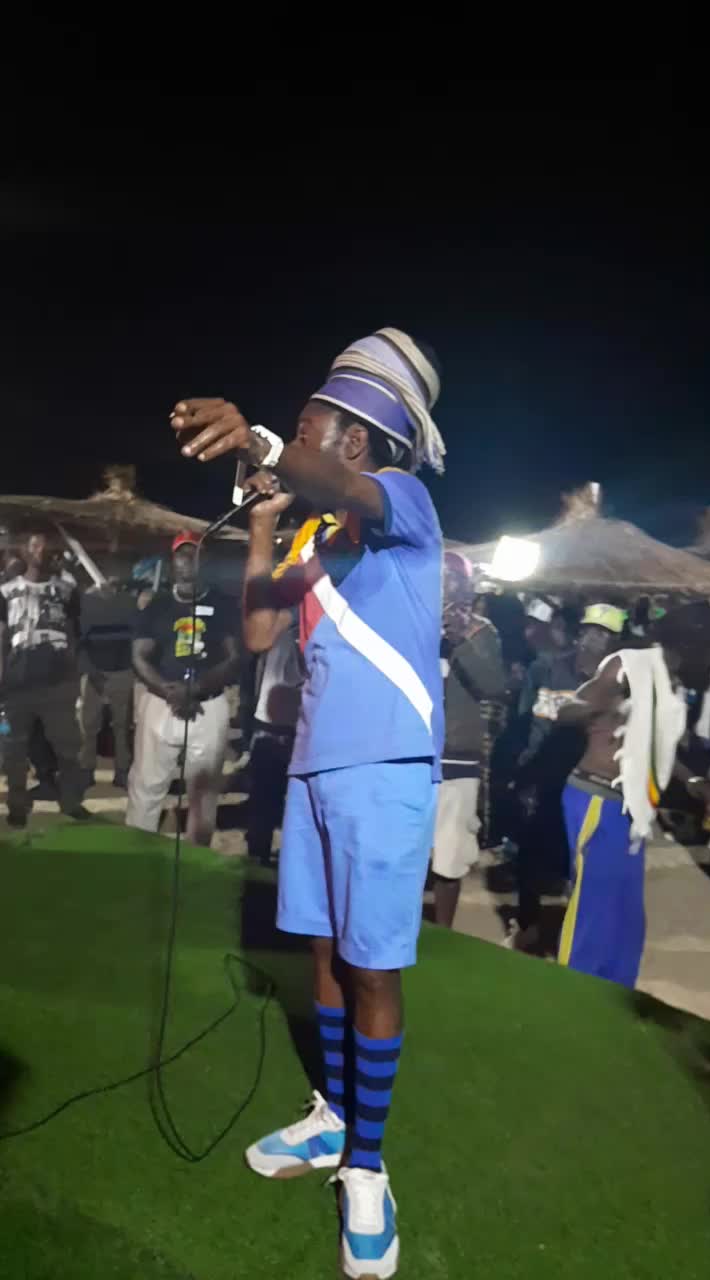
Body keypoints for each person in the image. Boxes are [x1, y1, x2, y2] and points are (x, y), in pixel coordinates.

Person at [171, 327, 445, 1280]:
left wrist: (260, 442)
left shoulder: (402, 502)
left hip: (386, 770)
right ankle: (333, 1116)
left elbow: (351, 490)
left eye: (304, 430)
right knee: (324, 953)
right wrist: (261, 516)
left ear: (355, 440)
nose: (292, 443)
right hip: (317, 769)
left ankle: (367, 1164)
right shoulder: (319, 540)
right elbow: (256, 631)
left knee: (372, 966)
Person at [555, 606, 710, 987]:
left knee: (626, 920)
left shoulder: (673, 684)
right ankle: (571, 996)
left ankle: (614, 996)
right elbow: (567, 708)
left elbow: (659, 746)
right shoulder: (628, 665)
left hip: (632, 809)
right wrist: (597, 707)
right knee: (593, 911)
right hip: (597, 800)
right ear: (689, 644)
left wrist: (695, 782)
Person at [506, 603, 626, 951]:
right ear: (579, 632)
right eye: (591, 630)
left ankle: (575, 933)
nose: (595, 638)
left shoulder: (621, 682)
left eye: (605, 634)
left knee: (580, 859)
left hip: (587, 782)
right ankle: (527, 925)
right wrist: (524, 774)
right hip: (546, 772)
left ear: (616, 642)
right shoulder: (549, 667)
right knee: (530, 853)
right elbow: (532, 722)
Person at [126, 532, 240, 846]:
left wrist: (197, 687)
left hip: (208, 704)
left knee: (203, 791)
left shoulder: (224, 604)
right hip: (161, 703)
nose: (187, 561)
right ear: (172, 561)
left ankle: (196, 856)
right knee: (147, 783)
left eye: (194, 554)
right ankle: (136, 850)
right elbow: (139, 655)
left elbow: (234, 657)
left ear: (206, 560)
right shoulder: (157, 604)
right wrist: (169, 690)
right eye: (181, 554)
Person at [433, 567, 506, 927]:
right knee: (402, 851)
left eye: (456, 585)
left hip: (457, 758)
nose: (448, 593)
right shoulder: (412, 620)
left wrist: (461, 638)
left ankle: (442, 932)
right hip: (409, 753)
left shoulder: (481, 631)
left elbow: (493, 685)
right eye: (442, 583)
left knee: (450, 855)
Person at [0, 529, 87, 827]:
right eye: (35, 545)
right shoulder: (6, 591)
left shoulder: (66, 590)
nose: (41, 550)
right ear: (24, 551)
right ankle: (17, 806)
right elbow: (1, 638)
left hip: (58, 687)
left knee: (68, 749)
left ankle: (71, 802)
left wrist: (73, 676)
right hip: (16, 688)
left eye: (46, 546)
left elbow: (74, 634)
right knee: (14, 752)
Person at [245, 621, 303, 864]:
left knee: (271, 807)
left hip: (280, 730)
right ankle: (259, 861)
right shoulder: (289, 637)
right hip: (278, 731)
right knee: (266, 808)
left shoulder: (285, 634)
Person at [79, 579, 137, 789]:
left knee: (121, 726)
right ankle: (87, 771)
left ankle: (121, 771)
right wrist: (91, 671)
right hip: (98, 671)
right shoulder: (86, 605)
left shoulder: (129, 604)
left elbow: (135, 640)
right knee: (88, 726)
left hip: (121, 671)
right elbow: (79, 643)